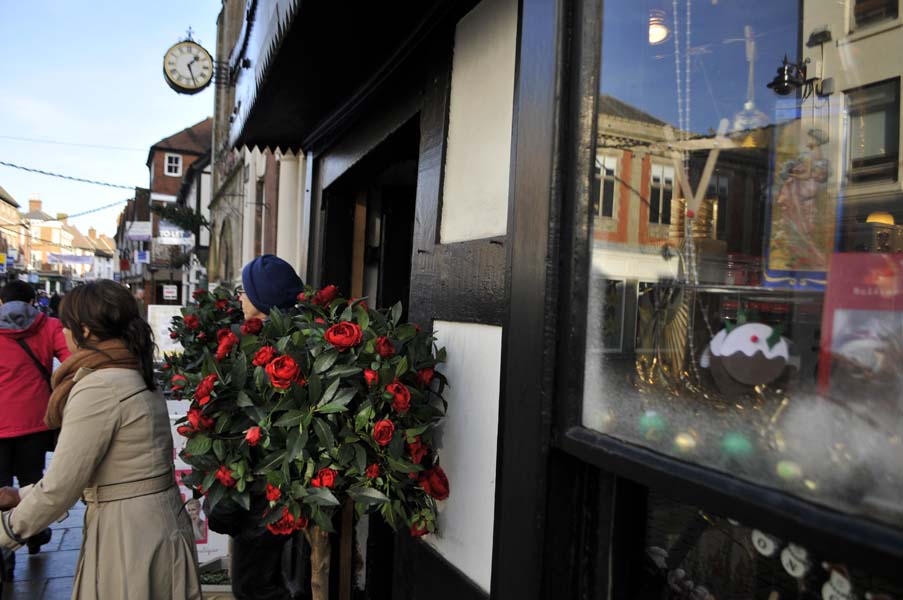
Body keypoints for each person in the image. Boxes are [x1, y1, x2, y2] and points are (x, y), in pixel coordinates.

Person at [0, 280, 201, 599]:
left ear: (86, 331)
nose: (63, 333)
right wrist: (20, 495)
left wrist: (6, 530)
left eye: (66, 325)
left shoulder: (99, 386)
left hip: (127, 536)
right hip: (154, 525)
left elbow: (60, 488)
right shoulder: (132, 369)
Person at [208, 254, 304, 600]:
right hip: (264, 486)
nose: (240, 296)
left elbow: (254, 425)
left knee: (253, 586)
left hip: (264, 488)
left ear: (263, 300)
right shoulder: (272, 343)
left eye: (245, 290)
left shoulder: (270, 353)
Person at [0, 279, 70, 567]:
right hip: (35, 420)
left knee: (1, 486)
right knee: (31, 481)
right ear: (33, 302)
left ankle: (3, 551)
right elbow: (70, 362)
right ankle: (34, 533)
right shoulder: (49, 326)